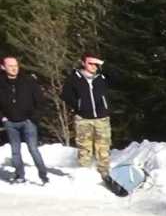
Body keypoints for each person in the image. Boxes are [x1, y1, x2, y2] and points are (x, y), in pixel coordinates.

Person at [61, 53, 114, 186]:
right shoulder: (74, 78)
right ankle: (85, 174)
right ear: (84, 63)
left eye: (96, 64)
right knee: (84, 147)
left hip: (102, 118)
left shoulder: (102, 77)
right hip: (83, 119)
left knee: (103, 147)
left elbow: (117, 77)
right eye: (91, 63)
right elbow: (65, 95)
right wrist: (79, 105)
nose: (94, 66)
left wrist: (104, 65)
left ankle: (105, 174)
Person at [0, 56, 50, 183]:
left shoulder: (28, 81)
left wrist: (34, 118)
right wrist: (3, 118)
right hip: (10, 122)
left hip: (28, 121)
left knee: (33, 149)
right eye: (10, 66)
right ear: (3, 67)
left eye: (16, 65)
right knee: (15, 151)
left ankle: (43, 175)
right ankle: (19, 175)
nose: (14, 68)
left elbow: (41, 101)